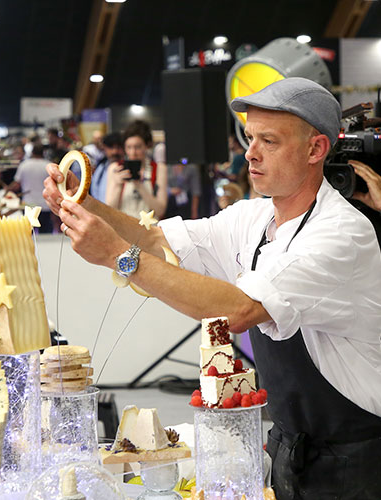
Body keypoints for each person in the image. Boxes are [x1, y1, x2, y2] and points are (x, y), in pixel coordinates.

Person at [43, 77, 381, 499]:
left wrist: (117, 257)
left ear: (316, 149)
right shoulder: (254, 218)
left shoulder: (340, 233)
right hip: (289, 447)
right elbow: (155, 240)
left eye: (269, 141)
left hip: (354, 460)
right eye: (250, 137)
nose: (250, 153)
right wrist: (83, 203)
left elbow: (238, 311)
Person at [105, 120, 168, 219]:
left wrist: (139, 184)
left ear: (147, 146)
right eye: (128, 147)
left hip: (151, 229)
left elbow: (160, 210)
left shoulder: (158, 169)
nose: (133, 152)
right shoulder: (115, 168)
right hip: (124, 228)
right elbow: (110, 210)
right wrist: (118, 185)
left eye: (138, 147)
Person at [9, 143, 53, 233]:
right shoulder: (49, 166)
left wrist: (7, 189)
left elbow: (16, 184)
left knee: (27, 235)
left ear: (32, 152)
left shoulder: (24, 165)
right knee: (46, 237)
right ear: (43, 152)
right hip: (45, 205)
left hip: (28, 205)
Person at [90, 132, 124, 203]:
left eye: (118, 147)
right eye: (111, 147)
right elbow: (94, 191)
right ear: (104, 147)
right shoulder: (100, 166)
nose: (115, 151)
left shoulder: (127, 169)